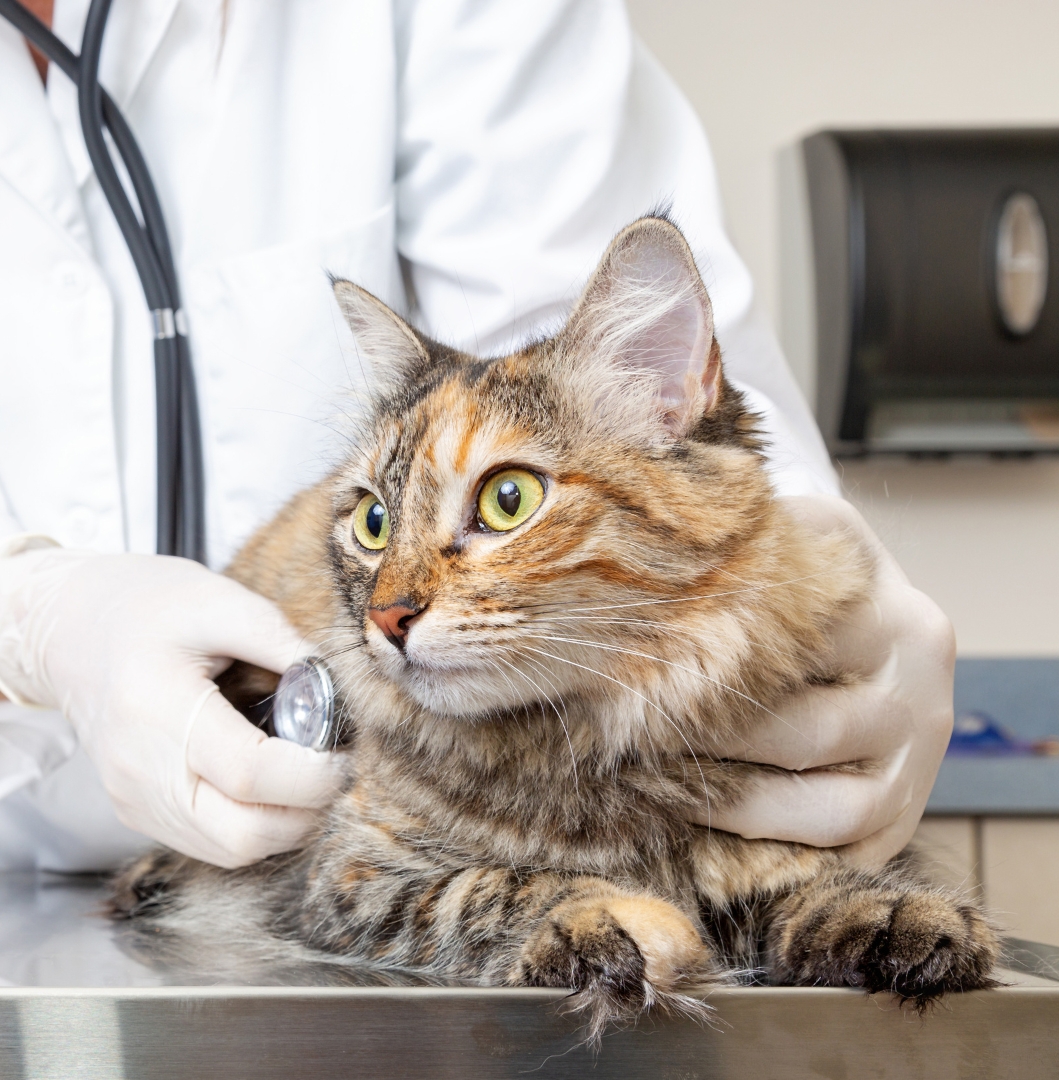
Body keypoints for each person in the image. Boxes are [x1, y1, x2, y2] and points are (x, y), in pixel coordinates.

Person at [0, 0, 954, 873]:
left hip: (505, 839)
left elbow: (633, 382)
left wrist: (801, 610)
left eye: (499, 500)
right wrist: (32, 620)